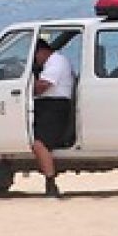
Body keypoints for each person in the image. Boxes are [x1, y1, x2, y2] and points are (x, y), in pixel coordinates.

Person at [31, 38, 75, 197]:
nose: (35, 60)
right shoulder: (53, 62)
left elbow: (42, 86)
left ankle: (51, 183)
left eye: (35, 55)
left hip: (54, 106)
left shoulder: (56, 62)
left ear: (42, 51)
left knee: (39, 143)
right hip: (47, 105)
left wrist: (27, 83)